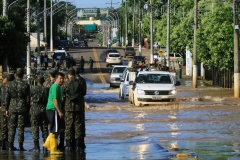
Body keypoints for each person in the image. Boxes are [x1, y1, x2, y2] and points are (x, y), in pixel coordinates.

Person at [5, 68, 31, 151]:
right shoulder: (25, 85)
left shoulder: (10, 84)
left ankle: (10, 145)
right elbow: (27, 99)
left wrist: (6, 109)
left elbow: (7, 98)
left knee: (11, 127)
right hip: (22, 107)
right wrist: (27, 109)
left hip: (12, 107)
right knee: (21, 128)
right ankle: (20, 146)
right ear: (23, 74)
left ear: (16, 74)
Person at [43, 72, 65, 155]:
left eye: (63, 78)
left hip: (54, 110)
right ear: (56, 79)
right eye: (60, 78)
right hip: (53, 109)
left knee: (61, 128)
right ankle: (53, 149)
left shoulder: (59, 87)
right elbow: (54, 99)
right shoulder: (55, 87)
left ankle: (47, 143)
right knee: (55, 130)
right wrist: (59, 111)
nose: (62, 80)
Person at [62, 69, 82, 153]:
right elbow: (83, 93)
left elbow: (62, 92)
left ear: (69, 75)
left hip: (68, 107)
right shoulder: (79, 83)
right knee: (77, 126)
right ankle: (77, 146)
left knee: (68, 126)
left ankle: (68, 146)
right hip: (77, 107)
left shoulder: (66, 83)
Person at [29, 76, 49, 152]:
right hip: (44, 109)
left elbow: (30, 98)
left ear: (37, 81)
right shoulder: (46, 89)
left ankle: (36, 147)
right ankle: (46, 146)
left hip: (35, 109)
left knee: (35, 127)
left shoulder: (33, 88)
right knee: (44, 128)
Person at [0, 73, 15, 151]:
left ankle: (6, 144)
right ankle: (4, 144)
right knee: (5, 127)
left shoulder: (7, 87)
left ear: (7, 78)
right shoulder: (3, 87)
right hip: (4, 108)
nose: (2, 79)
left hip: (8, 108)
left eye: (3, 78)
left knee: (7, 127)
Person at [73, 66, 87, 150]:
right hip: (81, 103)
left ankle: (74, 143)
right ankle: (81, 143)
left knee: (72, 124)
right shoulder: (83, 80)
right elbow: (84, 92)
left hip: (71, 105)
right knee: (80, 123)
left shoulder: (72, 81)